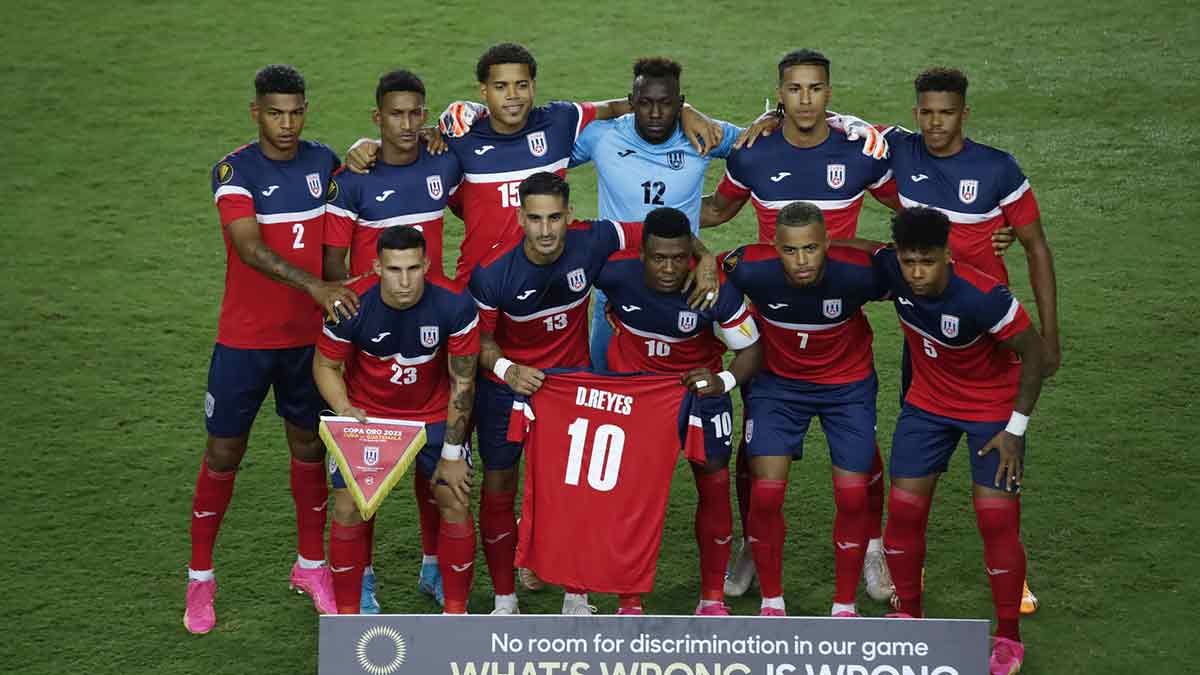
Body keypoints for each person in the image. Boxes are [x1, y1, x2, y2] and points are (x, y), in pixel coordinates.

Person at [467, 172, 718, 615]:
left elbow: (666, 229)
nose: (545, 231)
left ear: (570, 216)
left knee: (579, 490)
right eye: (535, 219)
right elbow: (479, 344)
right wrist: (509, 370)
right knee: (499, 484)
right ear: (520, 217)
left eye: (555, 218)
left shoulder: (595, 239)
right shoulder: (491, 273)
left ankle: (575, 594)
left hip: (571, 388)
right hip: (510, 385)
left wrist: (708, 258)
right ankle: (505, 600)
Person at [702, 48, 896, 603]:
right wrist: (668, 229)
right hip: (771, 328)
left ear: (829, 93)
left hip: (839, 313)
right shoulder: (754, 153)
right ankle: (751, 544)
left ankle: (874, 547)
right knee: (754, 446)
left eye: (815, 89)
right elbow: (716, 211)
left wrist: (985, 234)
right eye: (794, 89)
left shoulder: (859, 150)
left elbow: (910, 204)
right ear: (779, 93)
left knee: (860, 445)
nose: (805, 99)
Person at [185, 64, 360, 634]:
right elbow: (249, 248)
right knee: (223, 455)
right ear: (255, 112)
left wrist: (365, 149)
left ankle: (311, 567)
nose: (287, 124)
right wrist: (314, 287)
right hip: (244, 343)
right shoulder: (235, 171)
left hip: (306, 344)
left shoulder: (321, 160)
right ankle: (201, 578)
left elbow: (354, 191)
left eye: (296, 112)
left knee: (309, 446)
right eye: (276, 113)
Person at [876, 67, 1059, 612]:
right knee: (918, 468)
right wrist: (767, 120)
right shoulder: (898, 152)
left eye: (946, 112)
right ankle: (912, 567)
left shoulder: (997, 168)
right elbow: (833, 131)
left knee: (1000, 467)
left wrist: (1049, 336)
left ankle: (1011, 578)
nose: (936, 123)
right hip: (924, 336)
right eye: (927, 112)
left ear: (964, 114)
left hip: (991, 330)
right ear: (916, 113)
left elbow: (1036, 247)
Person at [345, 43, 725, 278]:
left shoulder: (560, 121)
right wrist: (367, 145)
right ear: (483, 91)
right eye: (500, 87)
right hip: (480, 280)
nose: (512, 96)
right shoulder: (459, 138)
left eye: (522, 85)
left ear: (534, 88)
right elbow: (407, 152)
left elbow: (623, 105)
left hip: (549, 276)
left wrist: (686, 109)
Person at [862, 206, 1046, 675]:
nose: (917, 273)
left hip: (991, 411)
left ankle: (1008, 637)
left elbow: (1034, 352)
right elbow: (857, 251)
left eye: (927, 260)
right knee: (903, 512)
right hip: (927, 406)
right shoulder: (893, 270)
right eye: (909, 262)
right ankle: (908, 617)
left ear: (948, 255)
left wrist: (1015, 430)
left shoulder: (984, 297)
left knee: (995, 520)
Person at [719, 201, 888, 618]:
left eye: (811, 249)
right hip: (778, 387)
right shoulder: (750, 266)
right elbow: (711, 267)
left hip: (846, 388)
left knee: (852, 496)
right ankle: (772, 605)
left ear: (828, 243)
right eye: (790, 251)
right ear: (774, 247)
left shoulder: (859, 272)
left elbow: (912, 272)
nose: (802, 261)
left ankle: (844, 607)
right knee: (766, 494)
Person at [595, 207, 763, 614]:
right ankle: (629, 600)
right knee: (629, 495)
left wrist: (721, 382)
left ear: (691, 252)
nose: (669, 268)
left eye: (678, 257)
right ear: (642, 256)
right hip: (636, 399)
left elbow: (751, 349)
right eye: (658, 258)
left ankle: (712, 599)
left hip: (697, 397)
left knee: (714, 486)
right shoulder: (613, 273)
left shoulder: (716, 290)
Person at [314, 225, 480, 615]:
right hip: (369, 416)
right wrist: (343, 410)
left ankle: (455, 614)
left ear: (426, 265)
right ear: (377, 267)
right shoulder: (352, 301)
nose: (404, 281)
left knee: (454, 497)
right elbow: (325, 364)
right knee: (348, 506)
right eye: (393, 270)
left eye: (412, 269)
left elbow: (463, 380)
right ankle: (350, 614)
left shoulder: (454, 301)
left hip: (434, 414)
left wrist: (454, 453)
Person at [325, 70, 463, 280]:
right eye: (396, 114)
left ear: (424, 116)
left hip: (431, 306)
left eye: (415, 113)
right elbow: (332, 262)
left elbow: (473, 213)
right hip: (377, 308)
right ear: (377, 117)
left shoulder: (443, 163)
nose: (407, 125)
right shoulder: (351, 179)